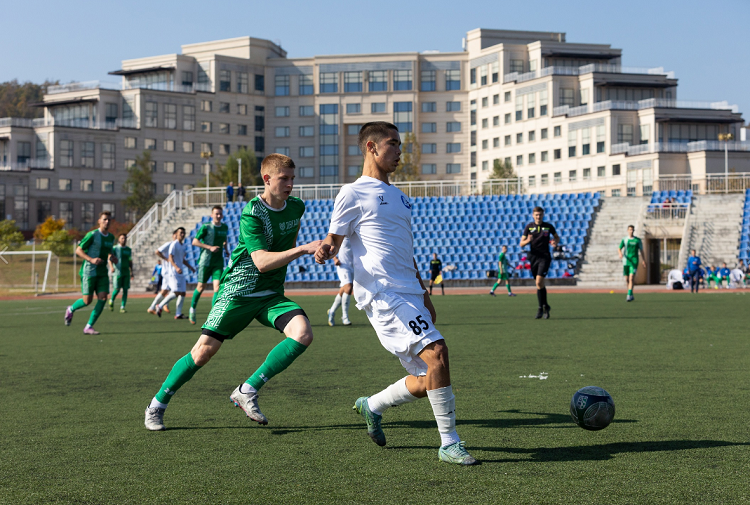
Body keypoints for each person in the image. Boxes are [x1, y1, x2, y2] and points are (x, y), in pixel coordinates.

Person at [315, 121, 477, 465]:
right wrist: (325, 250)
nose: (400, 151)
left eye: (400, 144)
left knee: (427, 377)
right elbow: (334, 239)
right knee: (438, 352)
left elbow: (406, 250)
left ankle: (371, 405)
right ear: (371, 147)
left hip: (410, 291)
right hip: (383, 293)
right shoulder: (352, 192)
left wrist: (424, 291)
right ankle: (449, 443)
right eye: (393, 144)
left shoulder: (402, 198)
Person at [144, 153, 321, 431]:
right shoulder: (253, 212)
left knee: (303, 334)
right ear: (267, 179)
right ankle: (157, 406)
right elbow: (262, 262)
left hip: (271, 295)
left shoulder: (296, 206)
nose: (290, 184)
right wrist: (302, 250)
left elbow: (291, 240)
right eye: (283, 178)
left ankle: (247, 389)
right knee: (202, 353)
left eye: (292, 179)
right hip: (238, 292)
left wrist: (316, 250)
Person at [64, 211, 116, 335]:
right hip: (89, 271)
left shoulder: (111, 237)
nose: (107, 222)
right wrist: (91, 259)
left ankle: (88, 326)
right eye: (104, 219)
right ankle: (70, 309)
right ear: (99, 221)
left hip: (102, 272)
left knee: (103, 298)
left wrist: (113, 258)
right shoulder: (92, 235)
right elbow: (78, 250)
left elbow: (109, 253)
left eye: (109, 219)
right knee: (87, 301)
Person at [190, 206, 229, 325]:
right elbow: (195, 241)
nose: (218, 216)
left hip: (218, 262)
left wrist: (226, 249)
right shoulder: (206, 227)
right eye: (216, 214)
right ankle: (192, 309)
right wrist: (209, 247)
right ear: (211, 215)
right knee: (201, 287)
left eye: (220, 214)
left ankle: (213, 315)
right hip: (205, 261)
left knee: (217, 288)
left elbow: (224, 240)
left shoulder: (225, 227)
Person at [520, 206, 560, 319]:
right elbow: (521, 243)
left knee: (539, 282)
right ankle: (545, 306)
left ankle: (539, 308)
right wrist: (528, 240)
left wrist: (554, 242)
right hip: (533, 257)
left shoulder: (548, 226)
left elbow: (557, 237)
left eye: (540, 215)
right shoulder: (529, 227)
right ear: (533, 215)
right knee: (539, 284)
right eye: (536, 215)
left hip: (545, 257)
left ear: (543, 215)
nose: (538, 217)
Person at [154, 228, 195, 319]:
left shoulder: (183, 246)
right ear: (176, 234)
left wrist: (190, 267)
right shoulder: (174, 244)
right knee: (176, 292)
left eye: (183, 233)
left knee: (183, 293)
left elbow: (182, 259)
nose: (182, 234)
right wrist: (176, 267)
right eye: (180, 232)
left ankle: (178, 313)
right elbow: (170, 258)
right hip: (174, 272)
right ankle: (159, 306)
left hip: (180, 272)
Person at [327, 236, 353, 326]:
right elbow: (330, 246)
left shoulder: (358, 233)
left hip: (354, 266)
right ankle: (345, 317)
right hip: (343, 265)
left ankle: (332, 311)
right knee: (349, 287)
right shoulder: (342, 234)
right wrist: (335, 258)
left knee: (344, 289)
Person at [148, 234, 177, 315]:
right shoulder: (169, 244)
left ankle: (152, 307)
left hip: (170, 272)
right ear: (173, 236)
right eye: (176, 235)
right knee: (176, 291)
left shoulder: (177, 246)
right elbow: (157, 251)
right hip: (168, 272)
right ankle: (163, 305)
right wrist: (166, 259)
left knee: (164, 291)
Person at [618, 225, 646, 302]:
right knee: (627, 279)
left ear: (634, 231)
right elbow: (619, 248)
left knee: (631, 278)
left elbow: (641, 250)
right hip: (626, 261)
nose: (631, 231)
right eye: (630, 230)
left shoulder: (637, 240)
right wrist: (620, 253)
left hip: (634, 261)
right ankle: (630, 293)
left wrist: (643, 260)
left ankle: (629, 295)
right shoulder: (625, 240)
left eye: (632, 230)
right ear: (627, 230)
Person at [109, 233, 134, 312]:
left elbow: (130, 261)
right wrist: (111, 267)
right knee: (117, 289)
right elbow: (110, 259)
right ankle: (112, 300)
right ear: (119, 239)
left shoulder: (128, 250)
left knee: (125, 290)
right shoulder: (115, 248)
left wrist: (131, 271)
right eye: (122, 238)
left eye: (125, 238)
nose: (124, 240)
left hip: (126, 272)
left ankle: (122, 307)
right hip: (117, 272)